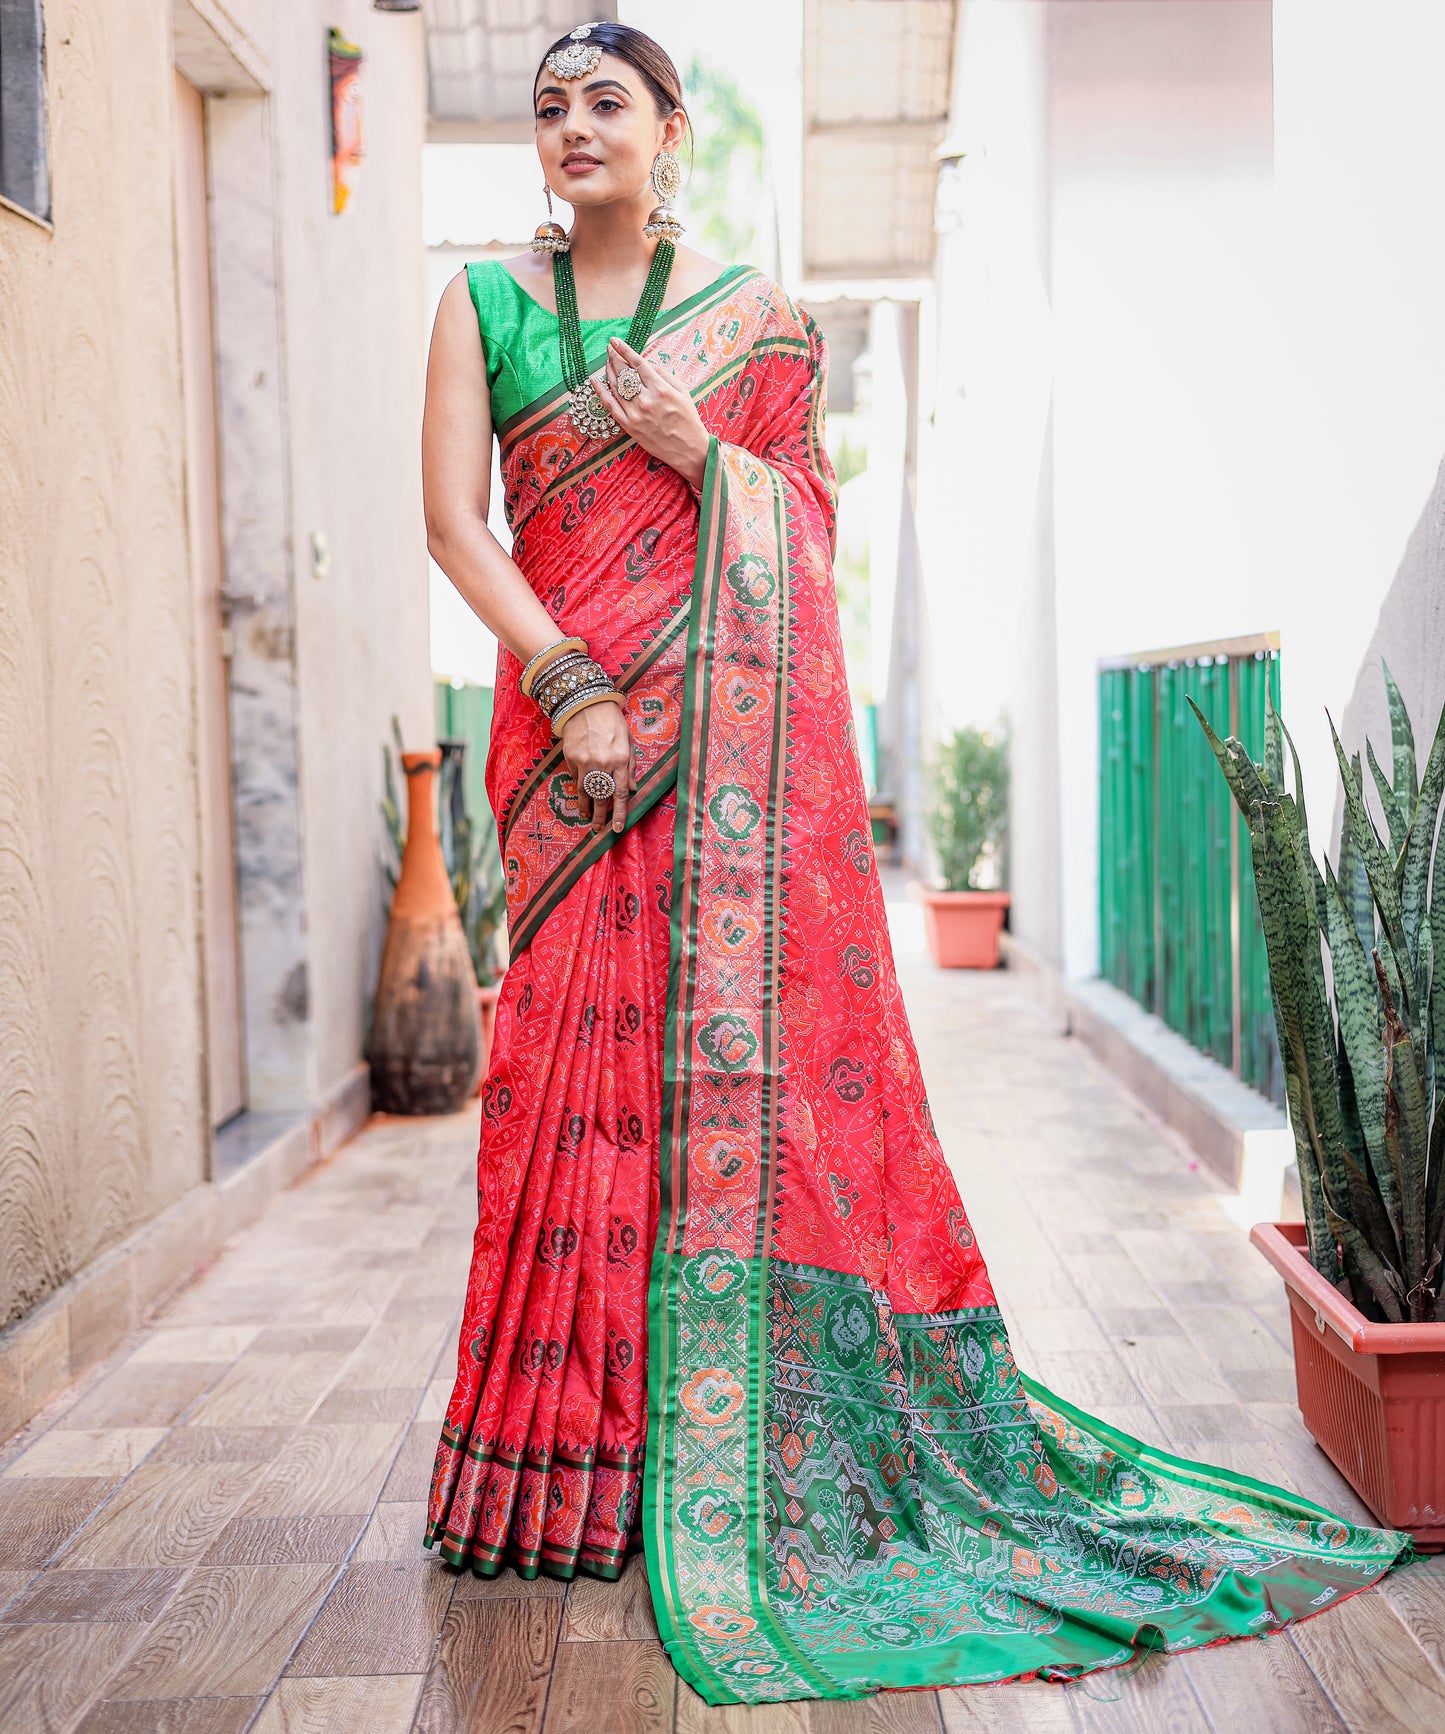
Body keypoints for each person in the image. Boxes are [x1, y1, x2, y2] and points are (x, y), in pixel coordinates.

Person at [420, 20, 1408, 1709]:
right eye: (547, 109)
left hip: (716, 758)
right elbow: (454, 522)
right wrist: (571, 681)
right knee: (563, 1083)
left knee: (716, 1104)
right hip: (575, 770)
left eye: (606, 104)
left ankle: (724, 1458)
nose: (571, 130)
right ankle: (562, 1468)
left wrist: (690, 456)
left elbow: (797, 528)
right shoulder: (483, 306)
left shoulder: (764, 324)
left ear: (670, 131)